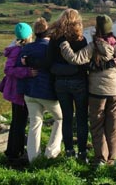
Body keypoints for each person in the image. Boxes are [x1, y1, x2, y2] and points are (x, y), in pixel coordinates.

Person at [59, 14, 116, 166]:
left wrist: (63, 45)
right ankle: (112, 159)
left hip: (96, 92)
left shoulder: (94, 46)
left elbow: (75, 59)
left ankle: (100, 159)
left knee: (97, 126)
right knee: (114, 127)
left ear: (97, 29)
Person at [45, 9, 89, 161]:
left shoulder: (55, 38)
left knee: (67, 118)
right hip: (79, 82)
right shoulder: (80, 39)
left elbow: (49, 62)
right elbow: (84, 63)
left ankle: (69, 152)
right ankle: (83, 154)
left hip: (60, 83)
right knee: (82, 118)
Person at [18, 17, 63, 162]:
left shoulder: (27, 48)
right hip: (47, 92)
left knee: (35, 124)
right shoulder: (50, 47)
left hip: (30, 92)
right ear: (47, 31)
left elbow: (21, 65)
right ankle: (51, 152)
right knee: (61, 118)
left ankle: (33, 158)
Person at [0, 22, 37, 163]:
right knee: (19, 122)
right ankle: (16, 153)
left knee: (17, 121)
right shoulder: (16, 51)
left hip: (17, 90)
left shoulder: (18, 48)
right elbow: (8, 70)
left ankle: (12, 150)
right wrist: (27, 72)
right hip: (17, 91)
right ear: (28, 36)